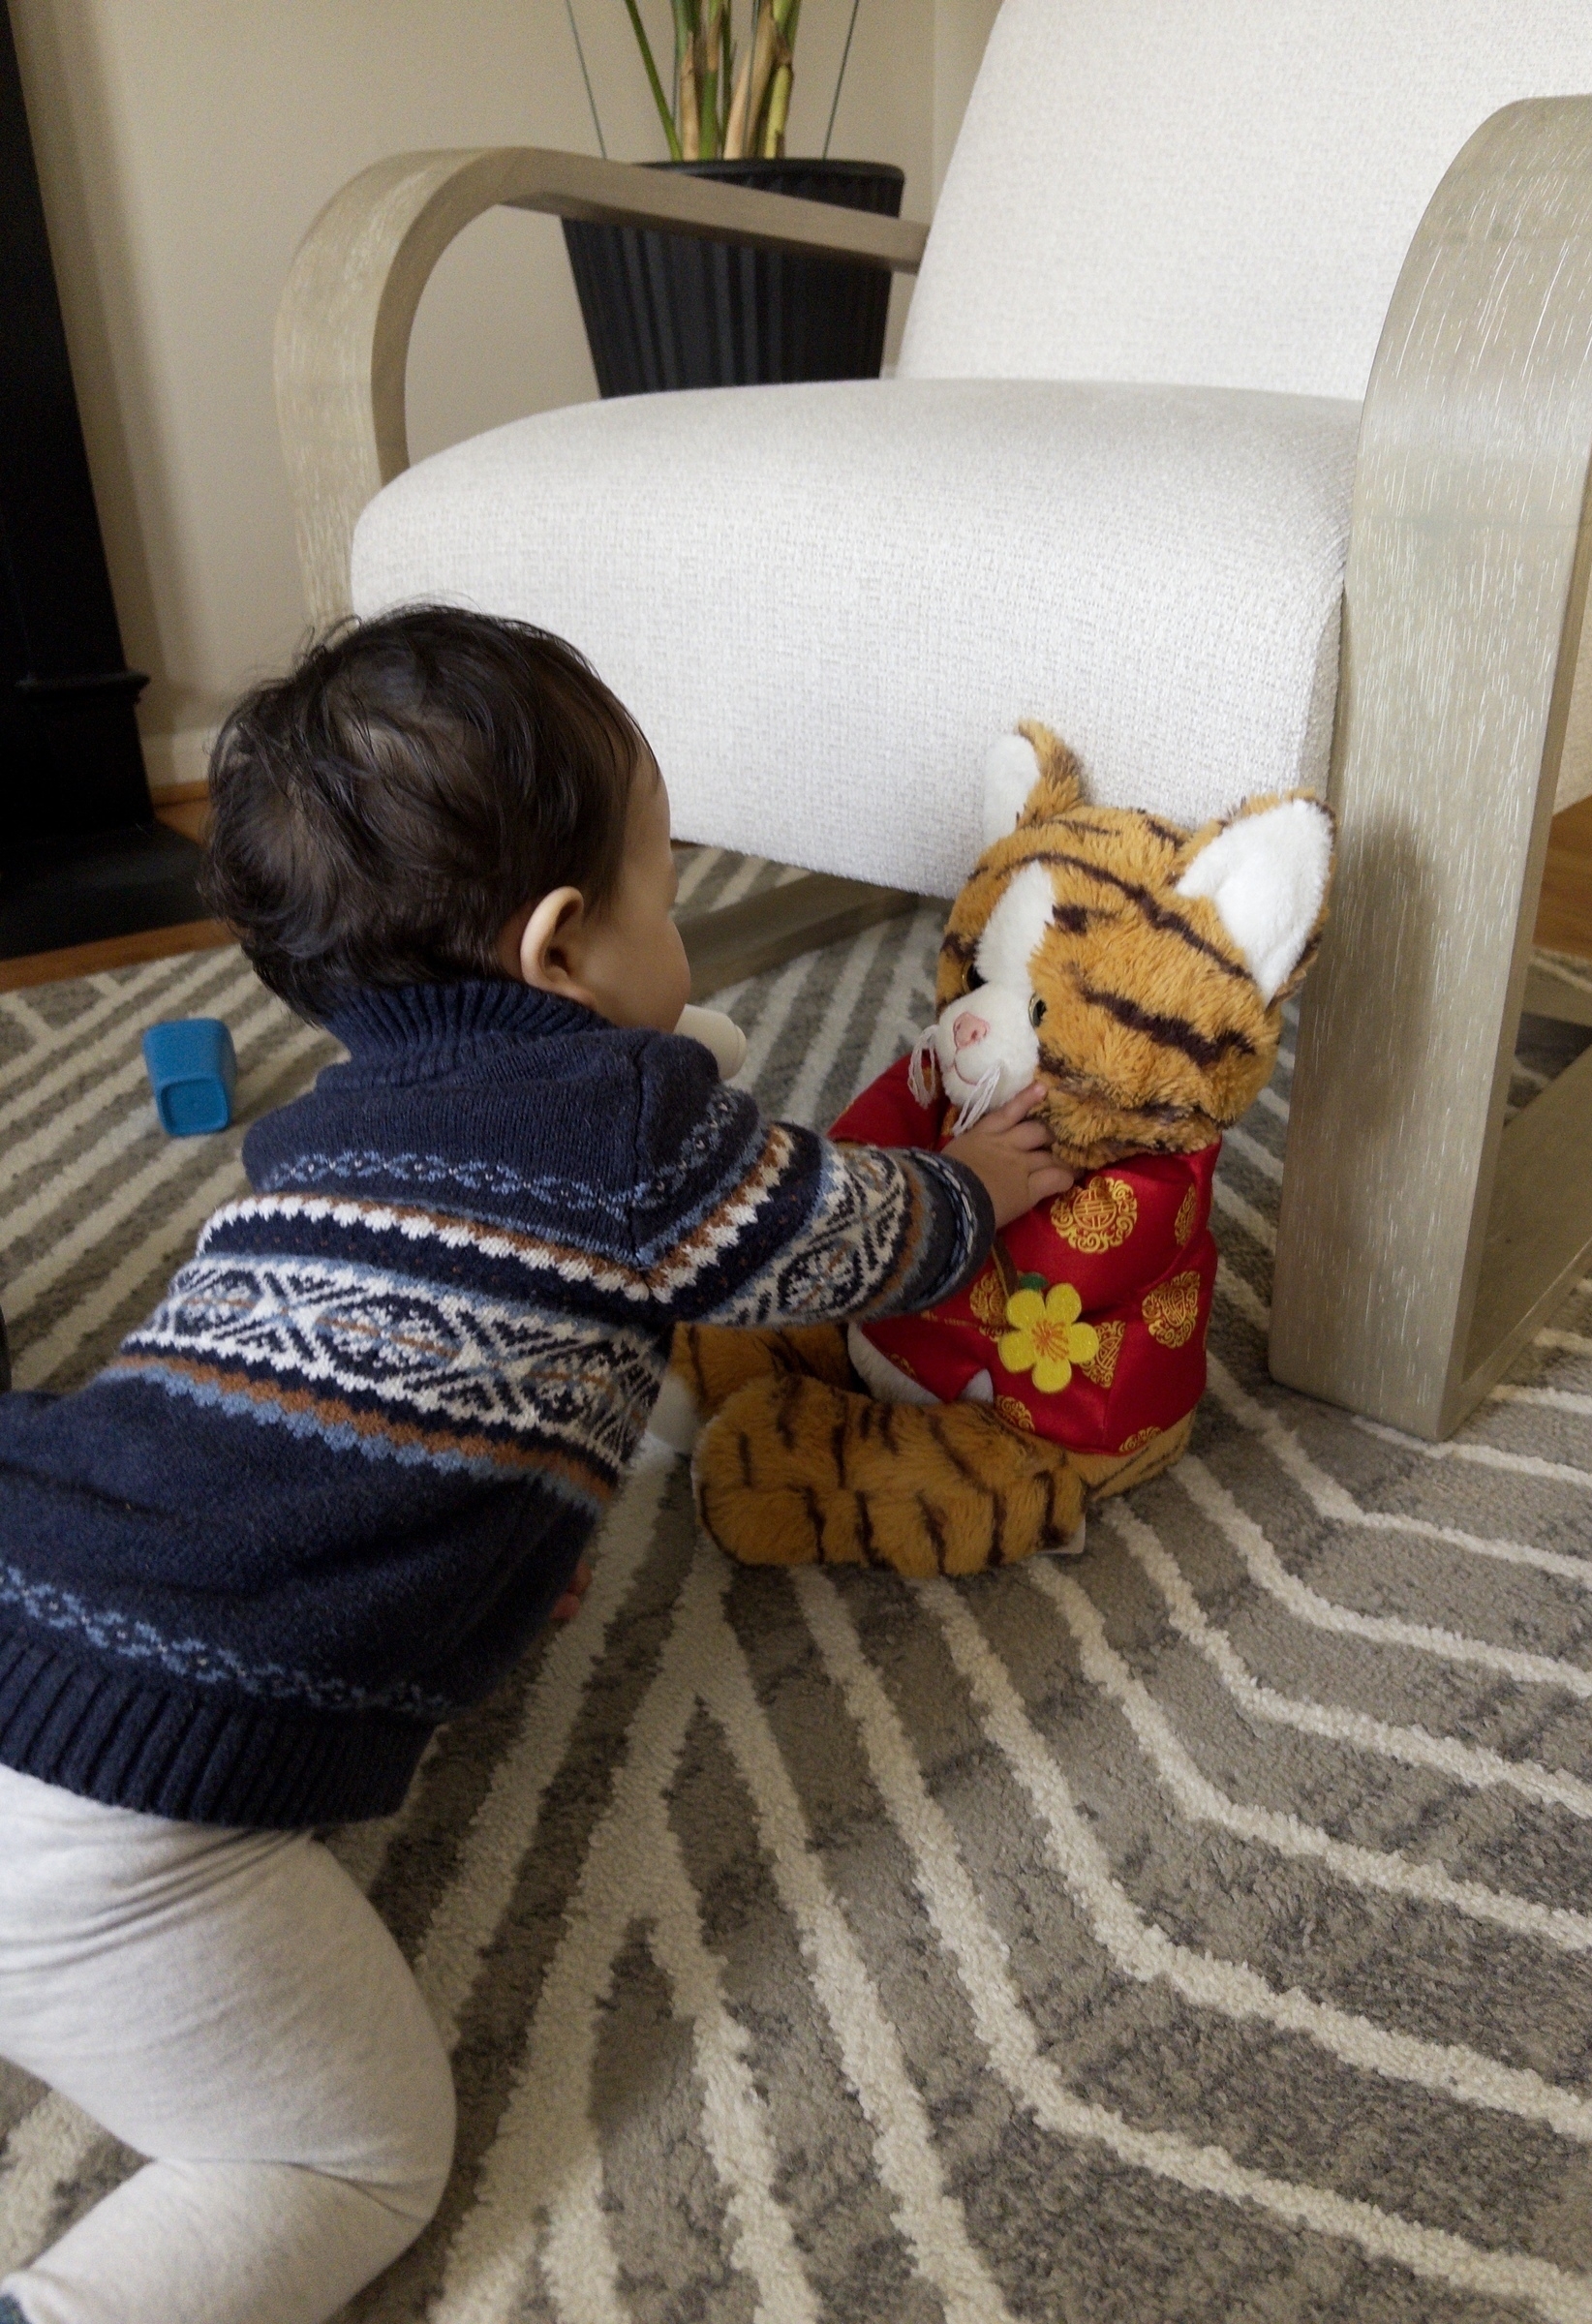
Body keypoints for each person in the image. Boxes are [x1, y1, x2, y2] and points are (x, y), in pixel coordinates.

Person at [0, 608, 1072, 2324]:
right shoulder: (637, 1143)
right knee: (350, 2158)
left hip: (30, 1588)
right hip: (135, 1805)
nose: (691, 952)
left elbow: (568, 1266)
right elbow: (831, 1234)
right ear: (567, 948)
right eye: (667, 891)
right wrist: (980, 1195)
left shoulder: (313, 1141)